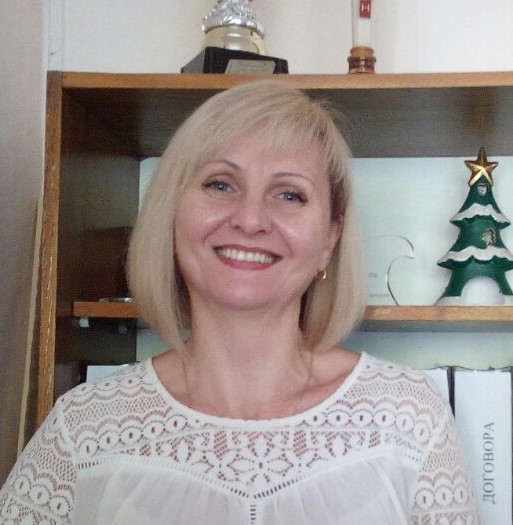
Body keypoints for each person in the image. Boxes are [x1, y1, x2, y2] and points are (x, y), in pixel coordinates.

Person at [0, 80, 480, 524]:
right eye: (220, 184)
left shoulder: (409, 419)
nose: (250, 220)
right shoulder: (83, 428)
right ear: (171, 212)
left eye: (289, 194)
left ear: (330, 238)